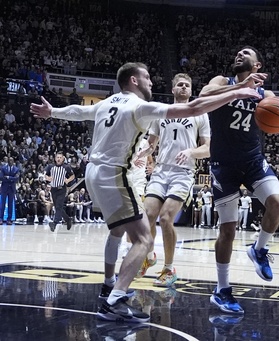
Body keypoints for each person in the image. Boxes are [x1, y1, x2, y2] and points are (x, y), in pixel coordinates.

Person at [30, 62, 261, 323]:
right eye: (147, 77)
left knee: (119, 231)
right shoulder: (139, 106)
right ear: (134, 81)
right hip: (113, 174)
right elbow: (194, 107)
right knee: (144, 239)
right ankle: (115, 300)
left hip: (93, 174)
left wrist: (52, 112)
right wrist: (236, 92)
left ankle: (108, 285)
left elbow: (78, 111)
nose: (152, 82)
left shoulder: (108, 102)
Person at [199, 46, 279, 314]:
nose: (239, 55)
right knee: (228, 230)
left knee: (277, 203)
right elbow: (204, 95)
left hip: (253, 161)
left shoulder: (263, 94)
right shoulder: (222, 81)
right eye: (238, 53)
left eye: (246, 53)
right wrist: (239, 87)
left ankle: (259, 249)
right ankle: (222, 290)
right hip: (224, 164)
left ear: (258, 65)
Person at [136, 73, 211, 287]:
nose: (184, 87)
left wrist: (190, 151)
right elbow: (151, 143)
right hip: (161, 171)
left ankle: (169, 269)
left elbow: (207, 149)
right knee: (147, 216)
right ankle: (149, 256)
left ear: (190, 90)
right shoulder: (162, 112)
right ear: (173, 90)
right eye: (180, 85)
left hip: (183, 172)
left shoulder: (199, 114)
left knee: (166, 218)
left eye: (187, 85)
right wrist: (142, 153)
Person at [45, 151, 75, 232]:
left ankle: (54, 223)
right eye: (57, 157)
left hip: (62, 189)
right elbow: (45, 175)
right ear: (55, 158)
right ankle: (68, 219)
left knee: (58, 206)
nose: (58, 159)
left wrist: (68, 180)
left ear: (63, 159)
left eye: (60, 157)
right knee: (58, 207)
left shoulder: (66, 167)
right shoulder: (50, 166)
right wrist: (48, 178)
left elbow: (73, 175)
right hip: (53, 189)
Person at [0, 157, 20, 224]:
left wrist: (8, 177)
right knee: (2, 204)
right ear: (7, 161)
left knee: (10, 204)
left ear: (13, 161)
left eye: (11, 160)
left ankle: (9, 219)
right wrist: (12, 179)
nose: (10, 161)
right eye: (9, 160)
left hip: (12, 189)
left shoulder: (16, 169)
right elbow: (2, 178)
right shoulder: (3, 168)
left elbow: (16, 179)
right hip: (4, 188)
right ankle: (1, 218)